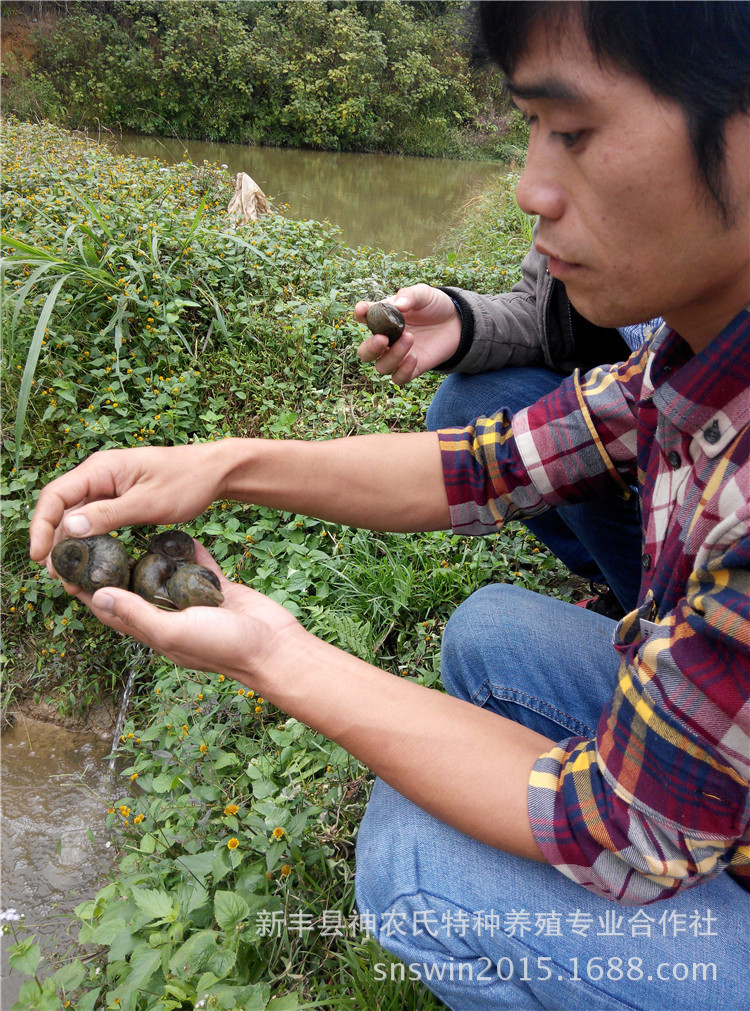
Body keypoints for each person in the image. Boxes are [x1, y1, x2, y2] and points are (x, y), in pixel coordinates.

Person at [28, 2, 750, 1008]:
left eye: (574, 132)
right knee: (489, 631)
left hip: (687, 822)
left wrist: (271, 651)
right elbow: (489, 463)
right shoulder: (695, 357)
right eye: (532, 131)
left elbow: (624, 830)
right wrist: (225, 461)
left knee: (418, 870)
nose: (531, 188)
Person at [355, 239, 663, 618]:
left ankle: (660, 600)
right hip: (634, 414)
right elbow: (542, 311)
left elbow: (605, 424)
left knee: (487, 627)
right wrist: (462, 323)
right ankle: (624, 578)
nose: (527, 195)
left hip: (700, 499)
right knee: (462, 404)